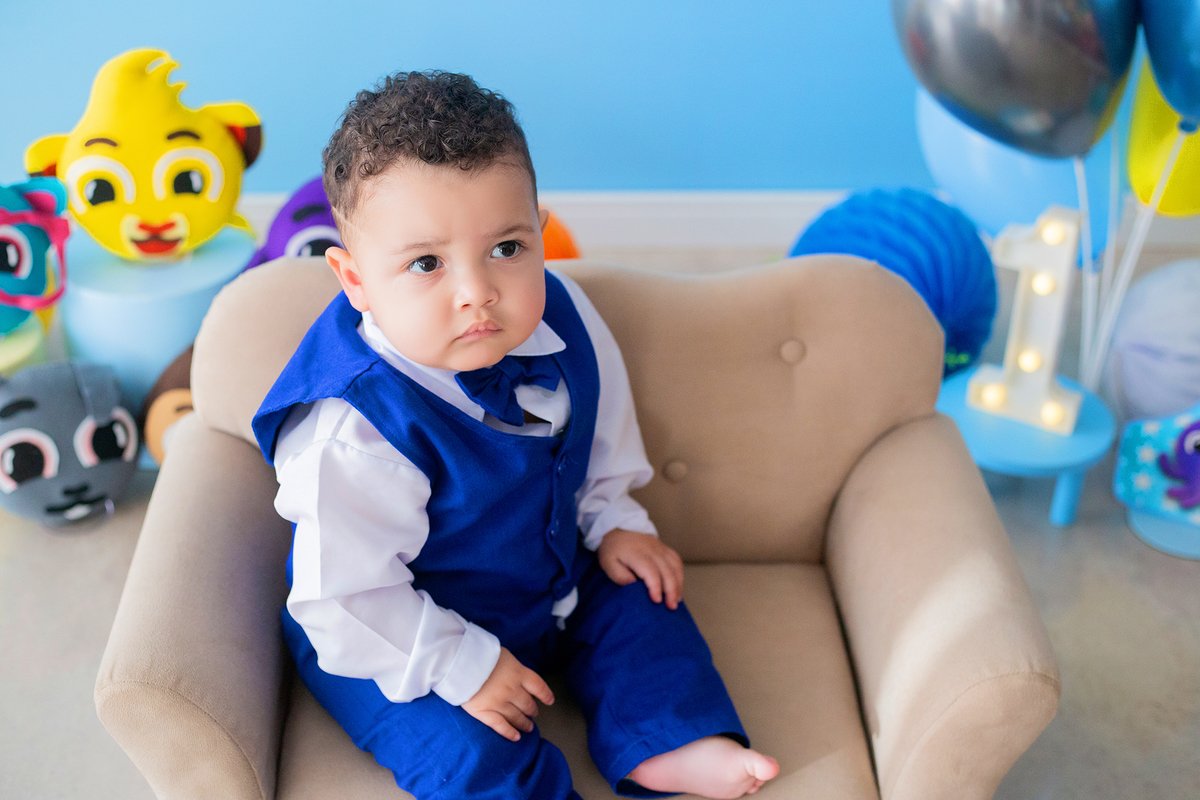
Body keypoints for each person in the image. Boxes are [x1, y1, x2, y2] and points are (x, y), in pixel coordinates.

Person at [252, 71, 779, 800]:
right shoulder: (352, 429)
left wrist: (615, 522)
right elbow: (347, 599)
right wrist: (462, 665)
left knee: (642, 603)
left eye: (506, 247)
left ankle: (670, 739)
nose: (478, 292)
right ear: (355, 280)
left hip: (550, 573)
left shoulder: (564, 317)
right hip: (396, 632)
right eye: (426, 264)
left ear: (539, 227)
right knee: (467, 752)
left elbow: (599, 444)